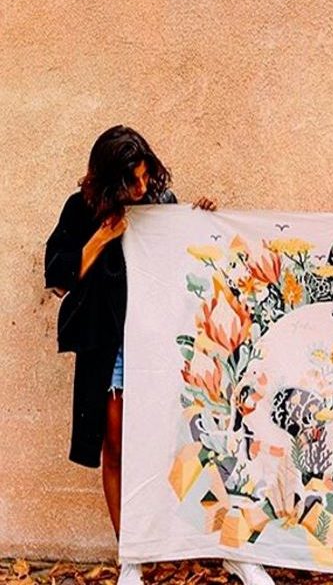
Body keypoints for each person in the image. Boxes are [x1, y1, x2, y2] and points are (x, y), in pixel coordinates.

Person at [45, 125, 274, 585]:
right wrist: (101, 237)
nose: (141, 187)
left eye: (145, 175)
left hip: (163, 343)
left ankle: (230, 549)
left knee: (197, 442)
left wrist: (201, 222)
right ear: (108, 179)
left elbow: (191, 263)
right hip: (111, 347)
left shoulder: (162, 203)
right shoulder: (81, 208)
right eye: (131, 180)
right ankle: (131, 556)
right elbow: (58, 278)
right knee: (117, 447)